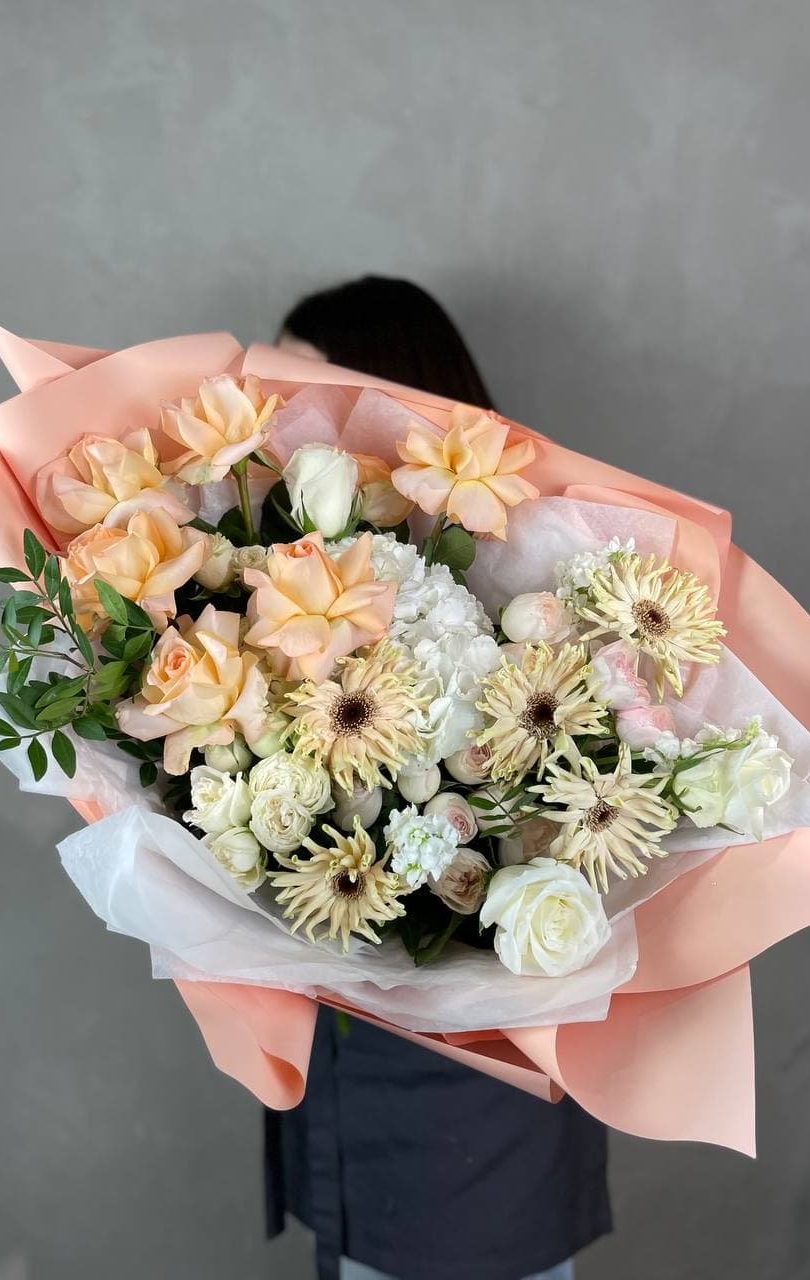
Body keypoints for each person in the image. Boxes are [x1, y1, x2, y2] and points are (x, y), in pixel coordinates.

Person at [263, 277, 613, 1280]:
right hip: (340, 1093)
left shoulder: (530, 590)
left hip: (475, 1121)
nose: (278, 422)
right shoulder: (274, 583)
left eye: (299, 391)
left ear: (395, 404)